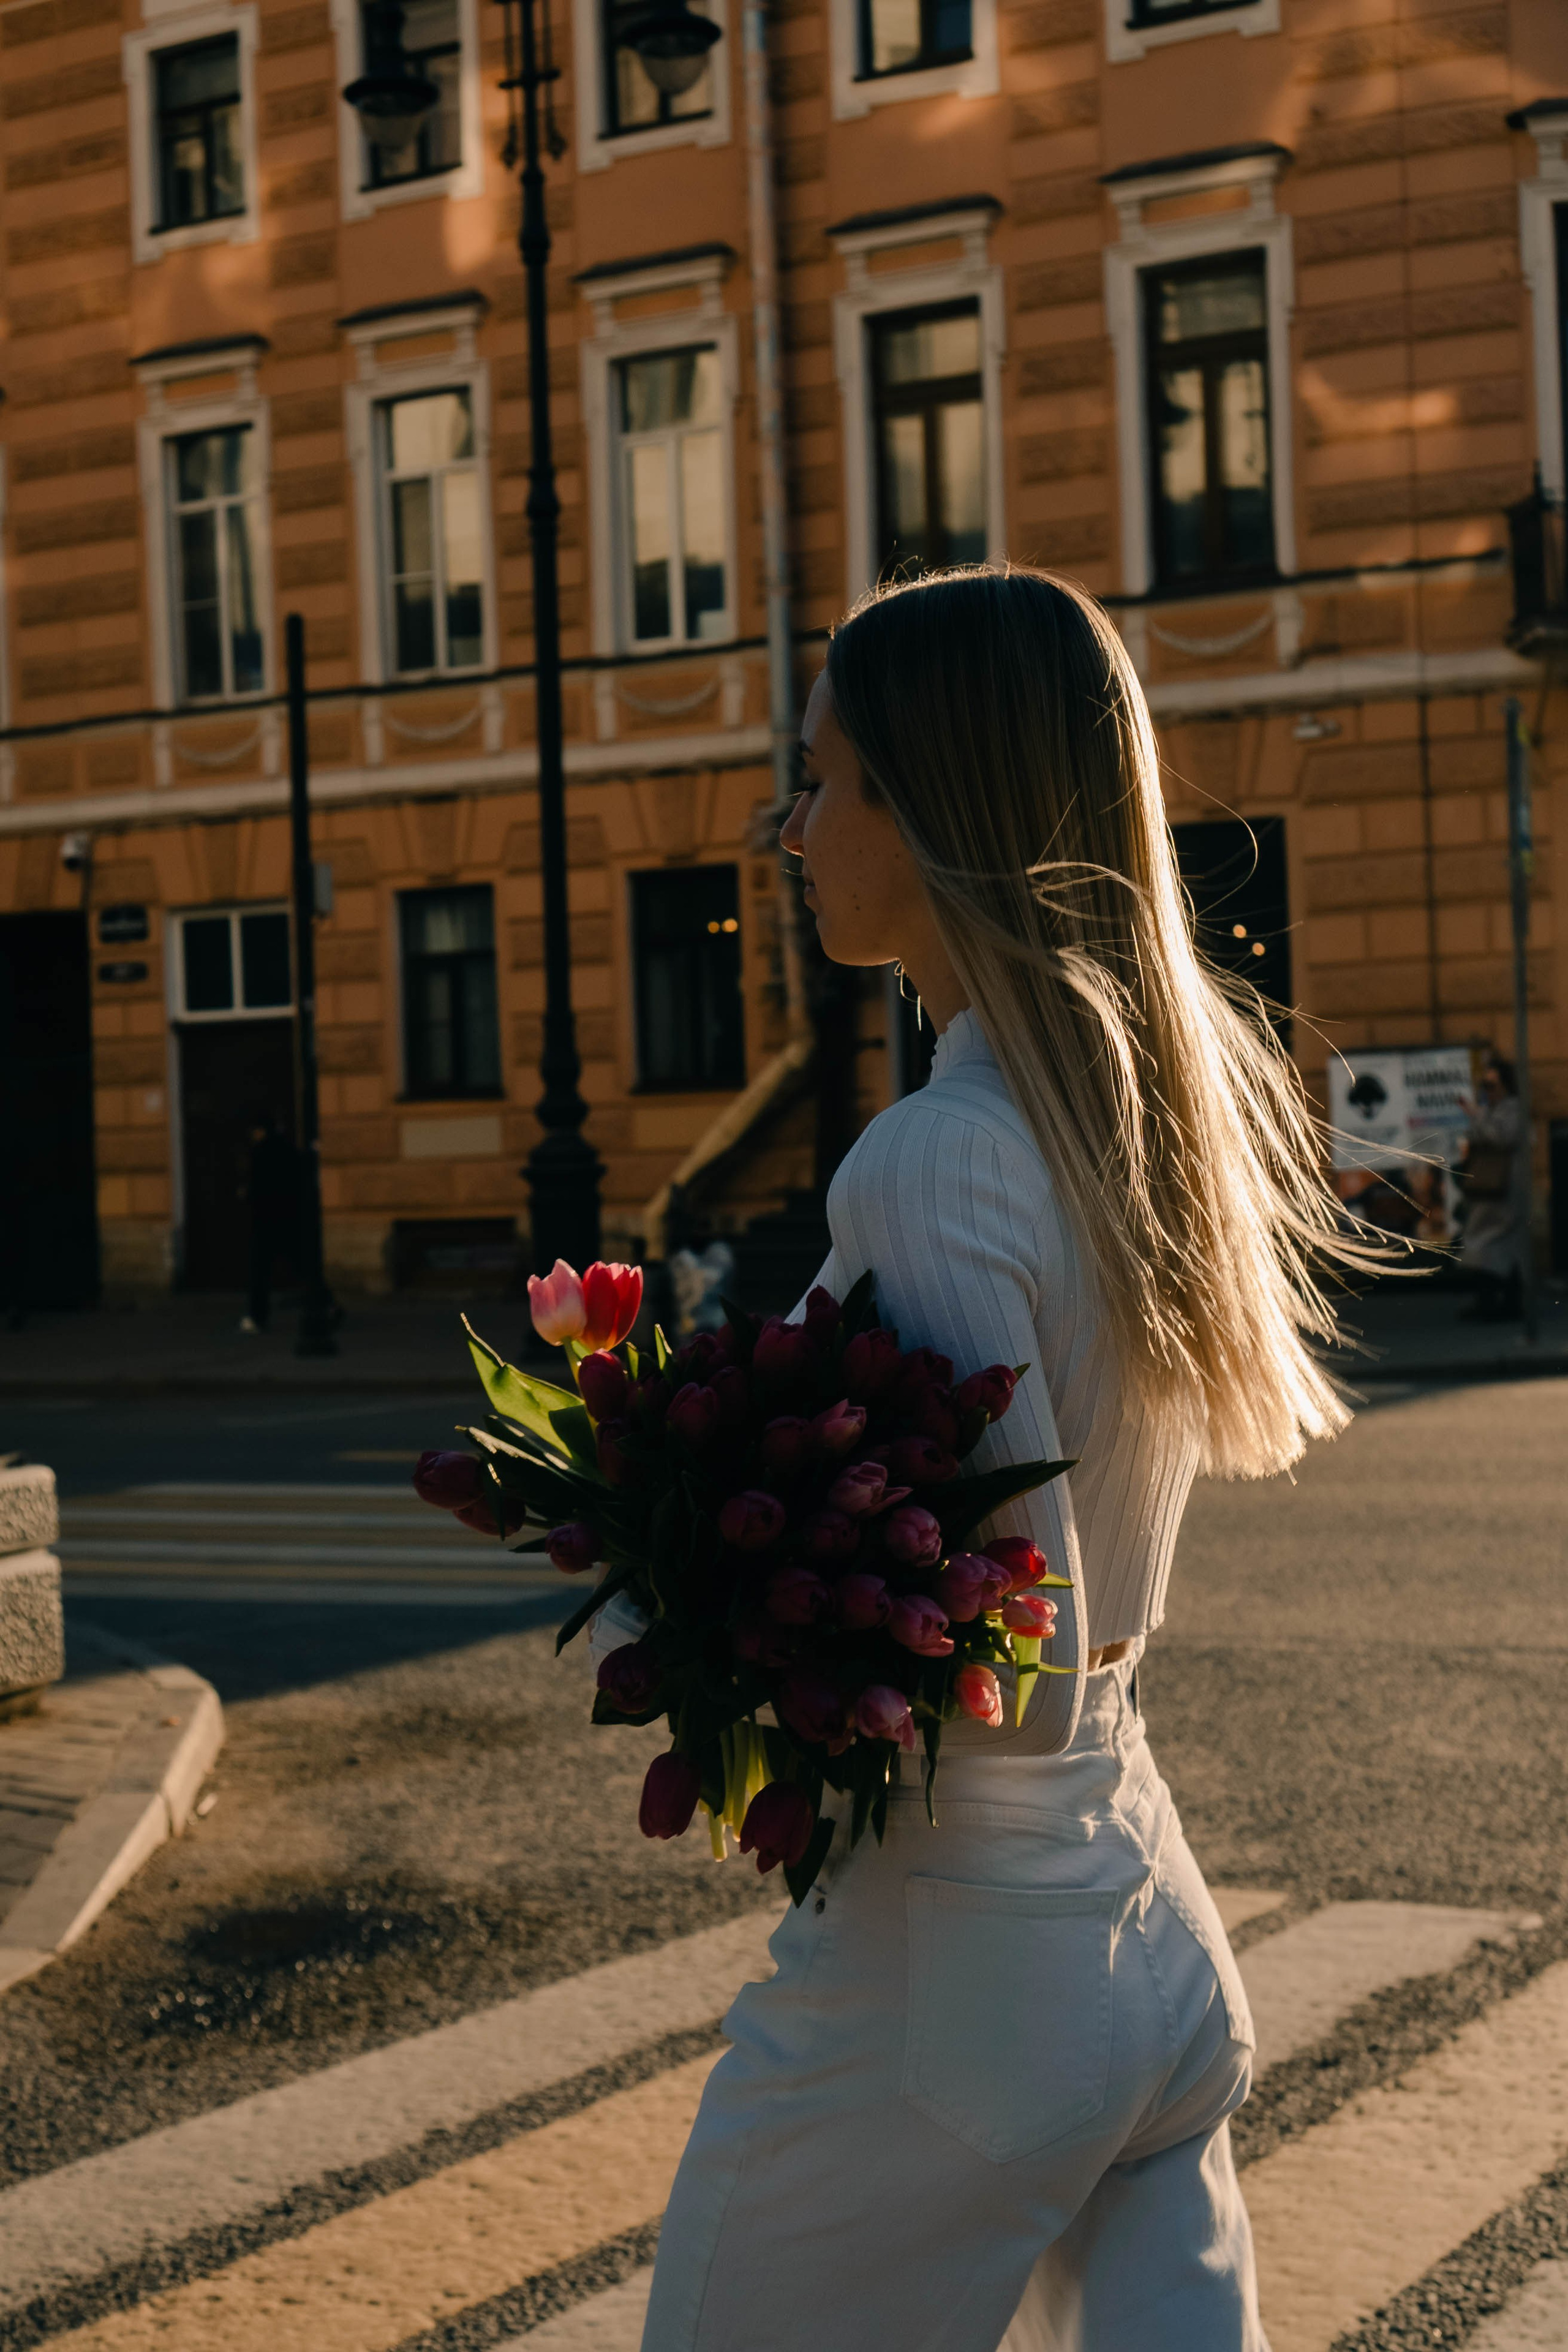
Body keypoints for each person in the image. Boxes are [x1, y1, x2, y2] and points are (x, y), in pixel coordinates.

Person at [600, 568, 1381, 2352]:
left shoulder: (934, 1152)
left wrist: (724, 1598)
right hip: (1142, 1918)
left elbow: (1001, 1650)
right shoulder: (1121, 1126)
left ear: (924, 805)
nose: (788, 827)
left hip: (959, 1953)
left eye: (821, 781)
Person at [1457, 1055, 1524, 1322]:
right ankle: (1497, 1302)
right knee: (1491, 1246)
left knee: (1494, 1245)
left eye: (1492, 1085)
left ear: (1506, 1086)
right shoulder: (1494, 1110)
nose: (1487, 1091)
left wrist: (1477, 1117)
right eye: (1484, 1085)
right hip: (1490, 1189)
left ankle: (1498, 1304)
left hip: (1505, 1189)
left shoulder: (1513, 1109)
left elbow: (1502, 1137)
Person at [239, 1111, 301, 1335]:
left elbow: (259, 1186)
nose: (253, 1135)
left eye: (255, 1131)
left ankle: (257, 1317)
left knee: (260, 1272)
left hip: (267, 1220)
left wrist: (248, 1194)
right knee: (301, 1265)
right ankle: (326, 1304)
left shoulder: (262, 1153)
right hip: (288, 1218)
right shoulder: (286, 1149)